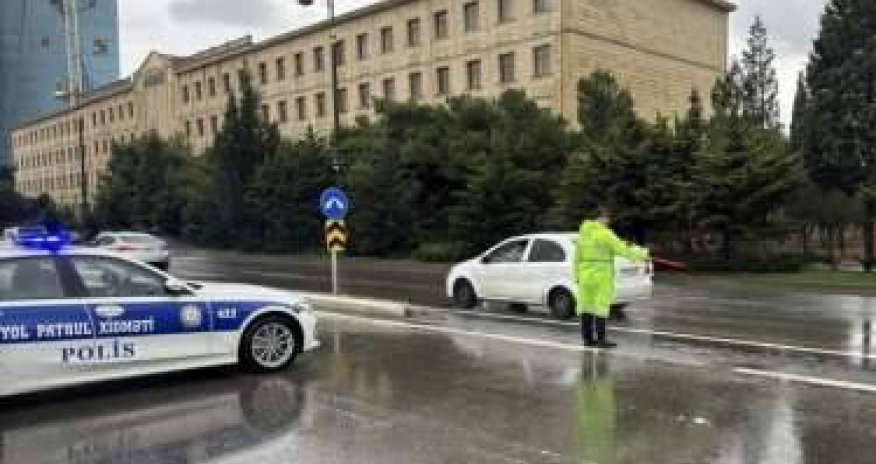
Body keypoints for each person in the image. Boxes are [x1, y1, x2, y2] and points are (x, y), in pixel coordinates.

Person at [574, 206, 649, 348]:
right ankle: (601, 339)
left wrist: (577, 276)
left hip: (585, 275)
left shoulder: (582, 235)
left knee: (586, 306)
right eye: (606, 217)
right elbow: (623, 250)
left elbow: (576, 258)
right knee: (601, 306)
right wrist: (643, 253)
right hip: (602, 273)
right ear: (600, 217)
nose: (608, 220)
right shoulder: (605, 234)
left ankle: (588, 339)